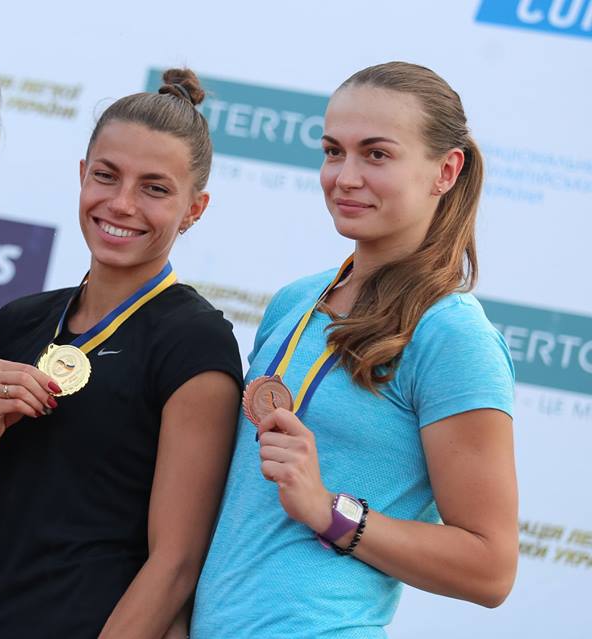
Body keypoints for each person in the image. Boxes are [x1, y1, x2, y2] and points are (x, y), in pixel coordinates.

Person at [191, 62, 518, 638]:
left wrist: (328, 511)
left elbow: (490, 569)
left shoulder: (453, 337)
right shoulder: (296, 300)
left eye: (376, 154)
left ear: (445, 171)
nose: (344, 177)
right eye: (333, 151)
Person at [0, 69, 243, 638]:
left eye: (155, 188)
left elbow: (176, 564)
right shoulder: (19, 321)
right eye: (106, 176)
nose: (122, 204)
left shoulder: (195, 341)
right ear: (82, 175)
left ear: (195, 208)